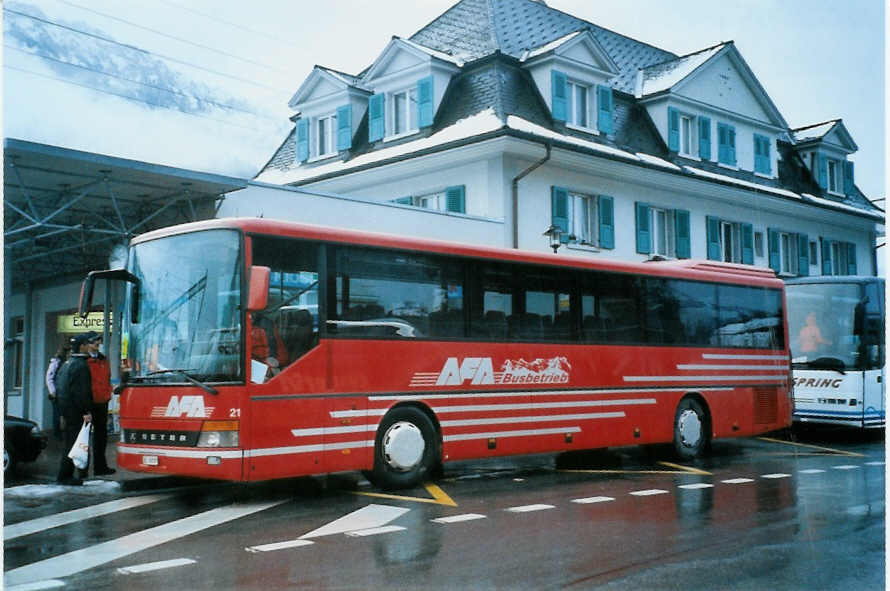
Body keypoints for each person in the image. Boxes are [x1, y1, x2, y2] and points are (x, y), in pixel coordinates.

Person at [55, 334, 93, 486]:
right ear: (82, 346)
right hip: (76, 411)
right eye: (87, 344)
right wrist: (86, 411)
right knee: (74, 443)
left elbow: (60, 387)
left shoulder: (67, 363)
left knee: (69, 442)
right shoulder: (81, 365)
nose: (89, 346)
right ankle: (65, 476)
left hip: (66, 409)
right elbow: (81, 392)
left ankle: (68, 474)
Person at [85, 331, 115, 476]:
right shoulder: (84, 361)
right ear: (87, 344)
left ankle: (100, 467)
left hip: (102, 402)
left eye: (98, 341)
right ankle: (82, 469)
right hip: (89, 403)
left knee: (101, 437)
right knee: (84, 437)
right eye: (94, 341)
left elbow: (107, 378)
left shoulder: (103, 360)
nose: (97, 343)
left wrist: (108, 392)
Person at [45, 344, 70, 440]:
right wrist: (53, 391)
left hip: (65, 392)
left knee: (64, 414)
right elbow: (49, 378)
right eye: (68, 353)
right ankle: (57, 434)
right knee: (57, 414)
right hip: (57, 393)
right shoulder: (56, 363)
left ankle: (62, 433)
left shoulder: (66, 363)